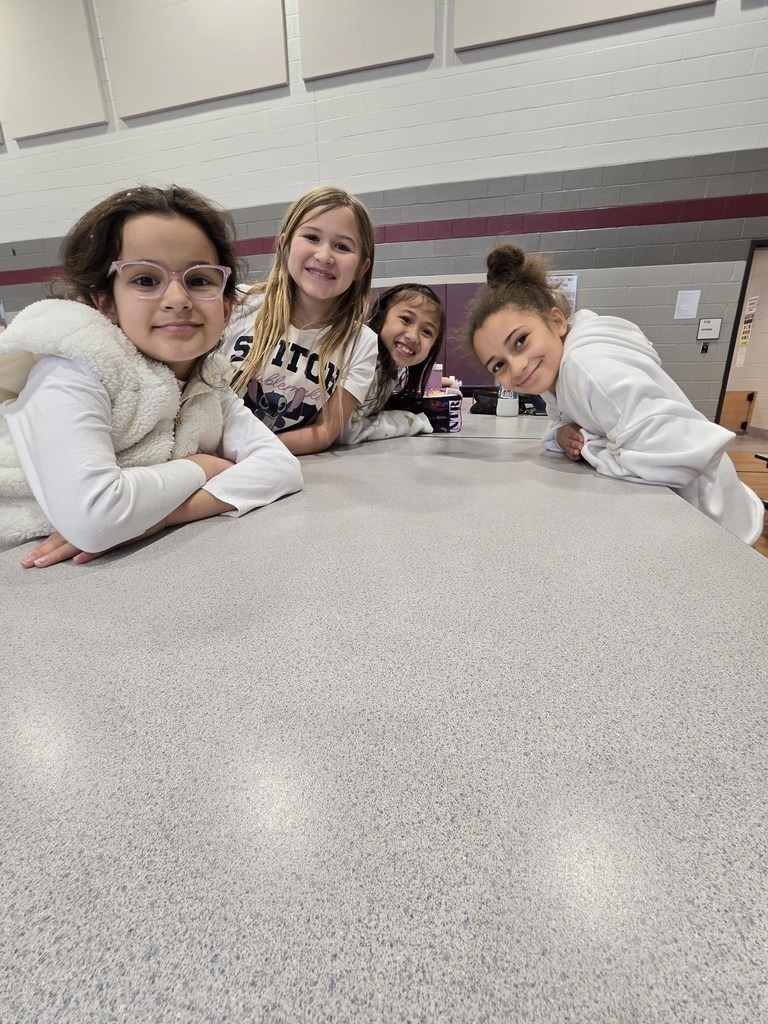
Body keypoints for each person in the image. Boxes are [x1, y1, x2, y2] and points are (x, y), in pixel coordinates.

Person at [0, 185, 303, 566]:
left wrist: (150, 521)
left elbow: (282, 469)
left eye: (199, 280)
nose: (177, 298)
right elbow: (94, 519)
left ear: (227, 307)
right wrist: (203, 466)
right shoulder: (69, 369)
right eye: (145, 280)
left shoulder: (207, 381)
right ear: (106, 301)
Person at [467, 244, 764, 545]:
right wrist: (561, 436)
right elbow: (573, 420)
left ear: (556, 321)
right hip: (688, 516)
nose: (516, 368)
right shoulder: (553, 373)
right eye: (499, 364)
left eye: (520, 341)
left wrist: (590, 447)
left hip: (714, 518)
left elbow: (673, 458)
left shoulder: (588, 367)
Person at [224, 186, 377, 454]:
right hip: (206, 452)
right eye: (312, 237)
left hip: (271, 461)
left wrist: (251, 454)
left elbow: (324, 431)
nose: (324, 256)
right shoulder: (239, 303)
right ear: (284, 245)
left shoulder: (362, 344)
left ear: (361, 268)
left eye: (342, 246)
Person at [340, 282, 446, 444]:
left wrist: (445, 381)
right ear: (381, 317)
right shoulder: (367, 364)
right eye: (406, 319)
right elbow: (342, 431)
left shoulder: (391, 368)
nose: (413, 336)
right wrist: (410, 422)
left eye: (427, 332)